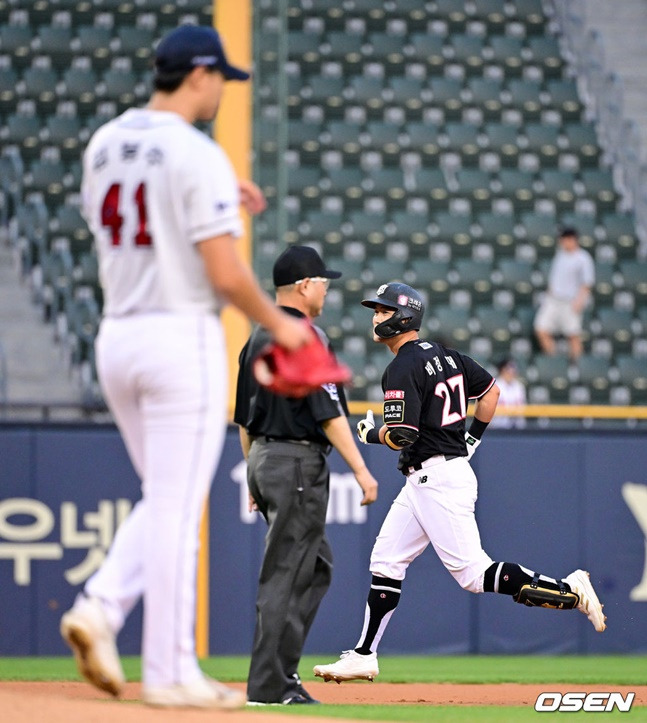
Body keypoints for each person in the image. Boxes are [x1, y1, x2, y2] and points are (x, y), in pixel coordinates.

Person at [58, 25, 314, 709]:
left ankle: (105, 609)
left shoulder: (104, 141)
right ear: (198, 74)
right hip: (179, 339)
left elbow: (133, 212)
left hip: (118, 336)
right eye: (220, 78)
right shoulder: (194, 154)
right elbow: (226, 273)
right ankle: (164, 666)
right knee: (174, 504)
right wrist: (281, 324)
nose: (223, 90)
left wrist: (217, 186)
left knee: (164, 498)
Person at [313, 282, 606, 684]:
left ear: (403, 316)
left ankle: (570, 590)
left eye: (382, 311)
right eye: (375, 311)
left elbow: (402, 434)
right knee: (386, 561)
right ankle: (364, 654)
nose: (375, 317)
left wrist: (369, 435)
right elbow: (491, 393)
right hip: (429, 477)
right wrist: (471, 438)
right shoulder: (449, 356)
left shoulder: (401, 366)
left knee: (473, 574)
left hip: (437, 478)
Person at [234, 244, 379, 705]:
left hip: (264, 457)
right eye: (322, 281)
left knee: (313, 565)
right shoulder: (306, 337)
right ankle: (270, 686)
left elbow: (242, 418)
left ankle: (279, 676)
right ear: (303, 286)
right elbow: (330, 414)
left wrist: (254, 473)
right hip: (295, 460)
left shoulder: (257, 336)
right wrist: (361, 469)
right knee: (288, 572)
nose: (325, 288)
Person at [534, 227, 595, 361]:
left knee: (573, 335)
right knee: (541, 328)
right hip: (553, 300)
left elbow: (587, 283)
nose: (563, 242)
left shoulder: (583, 258)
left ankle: (577, 367)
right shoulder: (560, 254)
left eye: (565, 239)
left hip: (570, 302)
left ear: (573, 239)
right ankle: (555, 362)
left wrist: (580, 302)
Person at [489, 357, 526, 429]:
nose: (511, 372)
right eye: (508, 369)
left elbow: (522, 408)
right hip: (497, 427)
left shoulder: (519, 386)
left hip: (517, 428)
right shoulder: (494, 386)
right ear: (502, 370)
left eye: (513, 369)